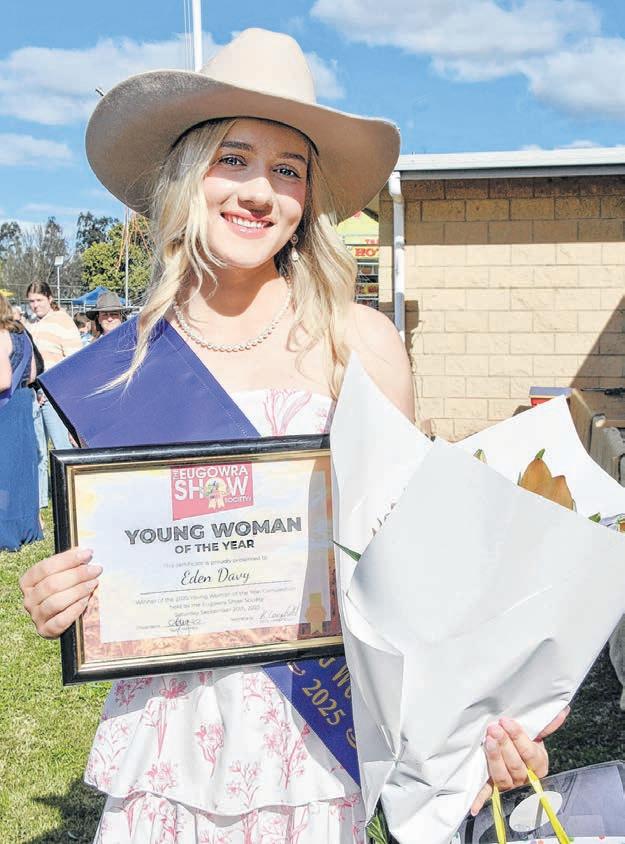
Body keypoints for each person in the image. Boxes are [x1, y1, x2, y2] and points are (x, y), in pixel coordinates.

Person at [19, 29, 567, 843]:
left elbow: (416, 562)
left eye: (287, 170)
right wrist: (64, 595)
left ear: (306, 200)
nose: (259, 192)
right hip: (171, 742)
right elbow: (126, 557)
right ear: (186, 174)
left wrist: (486, 711)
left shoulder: (358, 343)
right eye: (233, 159)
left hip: (310, 745)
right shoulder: (118, 370)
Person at [0, 293, 43, 550]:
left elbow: (3, 379)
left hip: (5, 407)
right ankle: (28, 527)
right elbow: (33, 373)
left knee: (4, 471)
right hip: (23, 403)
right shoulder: (21, 333)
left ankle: (5, 531)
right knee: (24, 469)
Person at [27, 280, 81, 449]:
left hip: (55, 393)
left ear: (50, 299)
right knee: (39, 450)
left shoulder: (62, 321)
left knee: (62, 446)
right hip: (35, 393)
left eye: (39, 300)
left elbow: (74, 360)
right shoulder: (32, 324)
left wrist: (58, 391)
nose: (35, 305)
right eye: (31, 301)